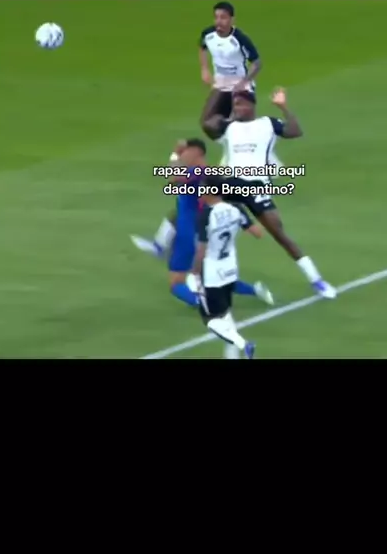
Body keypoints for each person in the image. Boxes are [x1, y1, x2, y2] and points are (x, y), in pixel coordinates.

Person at [202, 88, 337, 300]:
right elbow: (207, 124)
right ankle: (188, 266)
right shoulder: (229, 127)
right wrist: (221, 91)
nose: (237, 108)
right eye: (235, 104)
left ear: (252, 105)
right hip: (232, 182)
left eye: (241, 104)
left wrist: (283, 107)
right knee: (199, 206)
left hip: (257, 185)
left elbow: (295, 131)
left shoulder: (268, 124)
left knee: (280, 234)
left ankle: (316, 280)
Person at [130, 139, 274, 310]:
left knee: (176, 283)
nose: (183, 155)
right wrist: (248, 223)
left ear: (196, 153)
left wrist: (175, 154)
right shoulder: (212, 176)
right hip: (205, 230)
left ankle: (202, 303)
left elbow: (174, 178)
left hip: (188, 233)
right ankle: (254, 290)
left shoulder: (197, 172)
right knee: (215, 277)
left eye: (186, 151)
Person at [192, 188, 256, 360]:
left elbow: (202, 248)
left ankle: (244, 344)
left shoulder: (206, 215)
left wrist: (195, 271)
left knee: (211, 320)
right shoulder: (236, 208)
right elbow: (257, 232)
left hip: (212, 274)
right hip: (230, 270)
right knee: (226, 316)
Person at [199, 2, 261, 127]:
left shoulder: (240, 39)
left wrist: (244, 82)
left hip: (240, 84)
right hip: (220, 83)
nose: (219, 21)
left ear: (232, 20)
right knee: (207, 123)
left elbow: (257, 63)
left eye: (223, 17)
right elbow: (202, 47)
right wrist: (204, 69)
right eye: (216, 17)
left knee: (240, 124)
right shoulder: (208, 34)